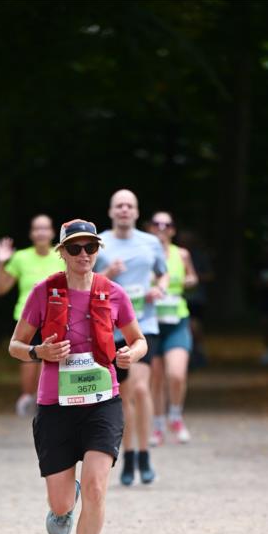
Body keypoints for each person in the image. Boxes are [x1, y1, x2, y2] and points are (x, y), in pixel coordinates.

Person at [8, 219, 147, 534]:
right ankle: (63, 510)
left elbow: (140, 341)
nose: (83, 255)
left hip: (103, 402)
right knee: (62, 501)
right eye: (75, 248)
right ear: (62, 253)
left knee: (97, 486)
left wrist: (129, 354)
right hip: (56, 406)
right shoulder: (43, 292)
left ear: (98, 251)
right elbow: (15, 346)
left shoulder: (113, 293)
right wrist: (39, 352)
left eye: (90, 248)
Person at [95, 189, 167, 485]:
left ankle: (145, 452)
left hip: (143, 325)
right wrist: (108, 273)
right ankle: (127, 456)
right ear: (111, 211)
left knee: (140, 388)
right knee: (123, 395)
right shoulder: (98, 242)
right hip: (110, 329)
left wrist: (158, 289)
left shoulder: (151, 242)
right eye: (119, 206)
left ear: (137, 212)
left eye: (129, 206)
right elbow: (87, 282)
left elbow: (163, 274)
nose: (124, 210)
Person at [0, 215, 59, 416]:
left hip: (54, 317)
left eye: (45, 228)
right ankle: (27, 397)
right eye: (36, 229)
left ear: (52, 233)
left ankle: (44, 401)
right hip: (26, 317)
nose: (41, 232)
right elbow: (0, 288)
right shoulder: (21, 257)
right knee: (28, 358)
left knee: (49, 360)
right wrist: (0, 262)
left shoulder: (62, 255)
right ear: (31, 234)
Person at [147, 212, 198, 445]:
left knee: (176, 374)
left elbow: (193, 277)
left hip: (177, 321)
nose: (161, 228)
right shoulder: (144, 254)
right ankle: (157, 426)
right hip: (151, 323)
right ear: (150, 228)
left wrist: (189, 281)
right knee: (155, 379)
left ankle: (175, 416)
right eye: (157, 224)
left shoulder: (182, 254)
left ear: (173, 230)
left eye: (167, 224)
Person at [178, 228, 214, 370]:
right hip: (179, 299)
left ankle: (198, 351)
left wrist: (195, 277)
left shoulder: (200, 256)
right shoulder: (173, 254)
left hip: (196, 299)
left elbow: (210, 275)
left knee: (195, 326)